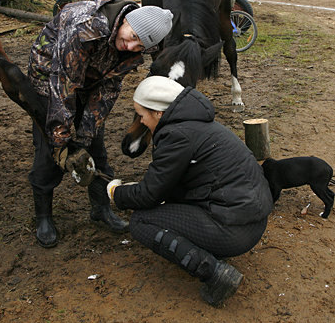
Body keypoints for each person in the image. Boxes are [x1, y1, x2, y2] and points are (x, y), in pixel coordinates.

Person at [107, 76, 273, 306]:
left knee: (141, 222)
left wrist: (116, 193)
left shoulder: (177, 136)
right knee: (167, 207)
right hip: (251, 217)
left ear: (159, 113)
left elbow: (148, 195)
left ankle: (215, 273)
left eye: (142, 115)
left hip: (235, 230)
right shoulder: (197, 124)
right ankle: (213, 252)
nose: (141, 122)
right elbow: (171, 187)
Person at [27, 0, 174, 248]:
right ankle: (43, 217)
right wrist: (64, 142)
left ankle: (101, 209)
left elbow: (107, 90)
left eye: (140, 47)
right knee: (50, 150)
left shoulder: (129, 47)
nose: (131, 47)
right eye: (133, 38)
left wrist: (84, 138)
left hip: (89, 81)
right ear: (127, 20)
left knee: (96, 149)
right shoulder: (84, 27)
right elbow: (63, 85)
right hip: (49, 77)